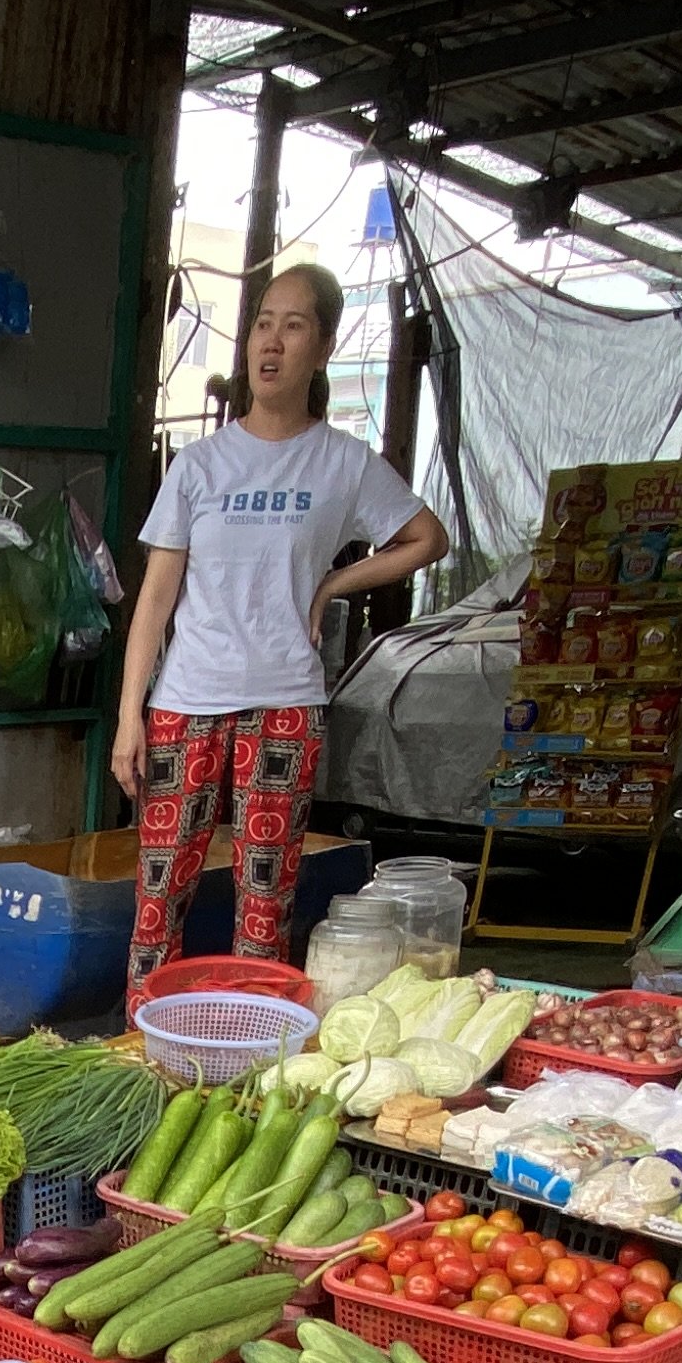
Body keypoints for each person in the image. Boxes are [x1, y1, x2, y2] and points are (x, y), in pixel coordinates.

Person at [114, 265, 451, 972]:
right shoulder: (201, 467)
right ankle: (144, 1050)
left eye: (293, 326)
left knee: (264, 911)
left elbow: (427, 537)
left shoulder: (342, 464)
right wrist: (130, 716)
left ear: (322, 347)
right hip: (186, 701)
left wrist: (333, 584)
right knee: (157, 904)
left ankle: (249, 1061)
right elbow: (154, 600)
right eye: (263, 323)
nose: (271, 342)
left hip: (286, 705)